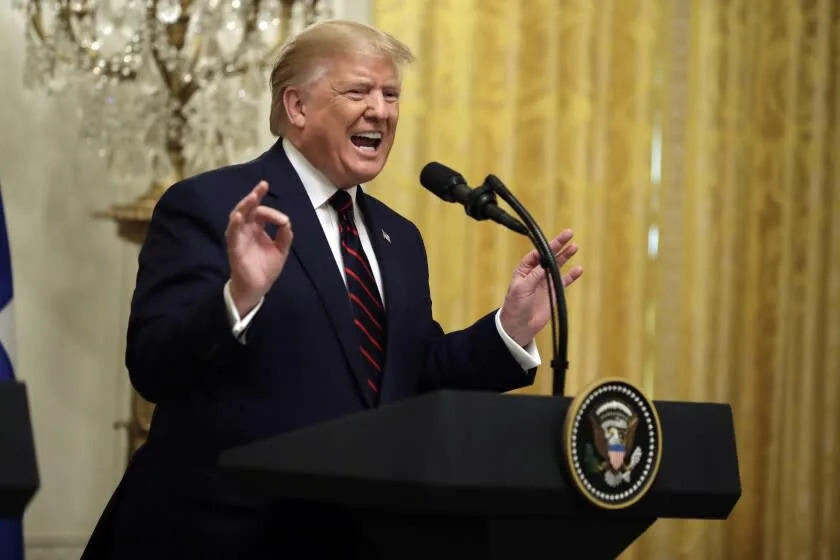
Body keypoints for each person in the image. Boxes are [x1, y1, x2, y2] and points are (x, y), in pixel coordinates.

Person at [82, 19, 582, 559]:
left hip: (356, 539)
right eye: (359, 91)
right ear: (296, 107)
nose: (382, 111)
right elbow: (153, 364)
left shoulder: (400, 239)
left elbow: (414, 375)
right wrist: (238, 298)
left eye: (391, 95)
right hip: (223, 537)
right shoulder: (213, 206)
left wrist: (506, 330)